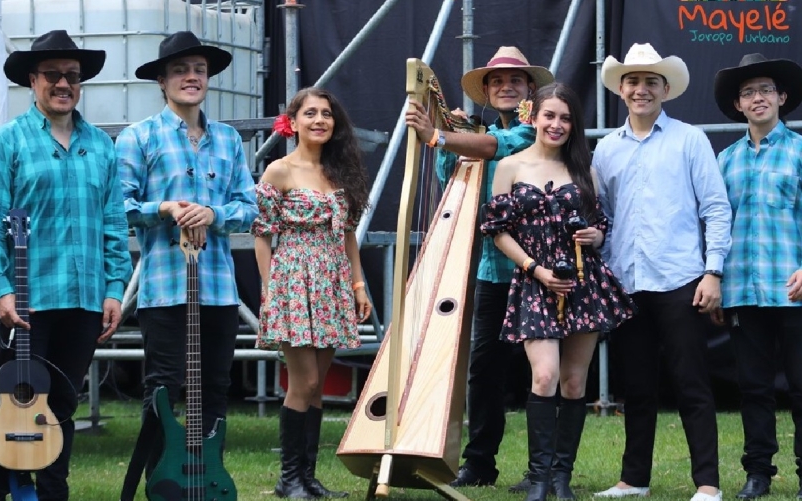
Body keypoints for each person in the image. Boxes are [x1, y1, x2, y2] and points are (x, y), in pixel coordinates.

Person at [0, 29, 132, 501]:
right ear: (32, 80)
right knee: (15, 404)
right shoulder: (6, 142)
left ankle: (52, 494)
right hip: (27, 299)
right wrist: (1, 289)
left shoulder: (101, 146)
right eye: (53, 75)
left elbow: (113, 222)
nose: (64, 84)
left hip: (84, 300)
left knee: (62, 405)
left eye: (73, 76)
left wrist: (114, 287)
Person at [405, 46, 554, 491]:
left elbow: (496, 147)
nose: (506, 86)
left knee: (540, 372)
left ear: (530, 88)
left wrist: (440, 135)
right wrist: (449, 133)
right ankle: (479, 464)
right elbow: (449, 172)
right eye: (496, 81)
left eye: (515, 80)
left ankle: (542, 471)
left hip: (534, 271)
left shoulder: (535, 130)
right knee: (483, 368)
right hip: (491, 269)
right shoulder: (476, 131)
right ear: (487, 92)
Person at [482, 82, 635, 501]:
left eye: (566, 118)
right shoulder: (510, 166)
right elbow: (497, 232)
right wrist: (536, 269)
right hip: (536, 282)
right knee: (545, 374)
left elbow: (603, 227)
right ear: (534, 117)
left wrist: (595, 236)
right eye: (550, 115)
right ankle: (538, 478)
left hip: (582, 282)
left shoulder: (585, 169)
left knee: (572, 382)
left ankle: (560, 478)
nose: (557, 124)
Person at [592, 43, 731, 501]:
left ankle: (707, 484)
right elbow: (604, 215)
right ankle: (634, 479)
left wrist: (712, 272)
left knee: (691, 382)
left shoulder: (689, 139)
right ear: (621, 89)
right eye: (633, 81)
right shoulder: (605, 150)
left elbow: (715, 208)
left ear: (665, 89)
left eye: (651, 81)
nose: (641, 89)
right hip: (627, 283)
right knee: (637, 386)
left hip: (681, 279)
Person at [115, 31, 258, 478]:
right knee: (164, 387)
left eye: (198, 69)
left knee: (216, 387)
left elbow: (251, 208)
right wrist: (164, 208)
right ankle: (163, 480)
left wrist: (212, 213)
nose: (191, 77)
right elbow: (117, 208)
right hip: (164, 289)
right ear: (162, 80)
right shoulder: (138, 138)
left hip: (217, 289)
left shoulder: (229, 140)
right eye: (180, 70)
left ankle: (208, 476)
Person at [252, 87, 372, 499]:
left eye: (326, 114)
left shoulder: (340, 173)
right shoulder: (278, 171)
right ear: (293, 122)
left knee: (318, 382)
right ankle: (289, 478)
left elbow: (349, 236)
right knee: (302, 381)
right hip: (293, 278)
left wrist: (358, 285)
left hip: (333, 279)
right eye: (310, 113)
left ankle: (307, 476)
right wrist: (271, 290)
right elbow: (262, 235)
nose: (320, 120)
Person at [712, 53, 802, 500]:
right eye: (748, 92)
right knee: (754, 388)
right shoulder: (724, 160)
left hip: (794, 288)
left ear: (782, 97)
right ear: (739, 105)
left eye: (766, 89)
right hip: (743, 290)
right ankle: (758, 473)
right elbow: (713, 225)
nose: (758, 97)